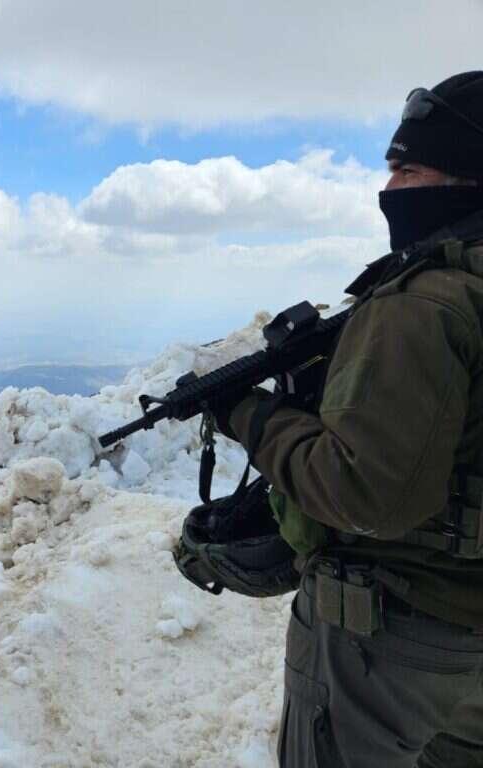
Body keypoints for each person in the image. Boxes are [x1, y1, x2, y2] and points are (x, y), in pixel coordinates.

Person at [218, 72, 483, 768]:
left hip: (392, 639)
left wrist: (252, 417)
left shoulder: (422, 305)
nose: (389, 188)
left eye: (408, 168)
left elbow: (365, 495)